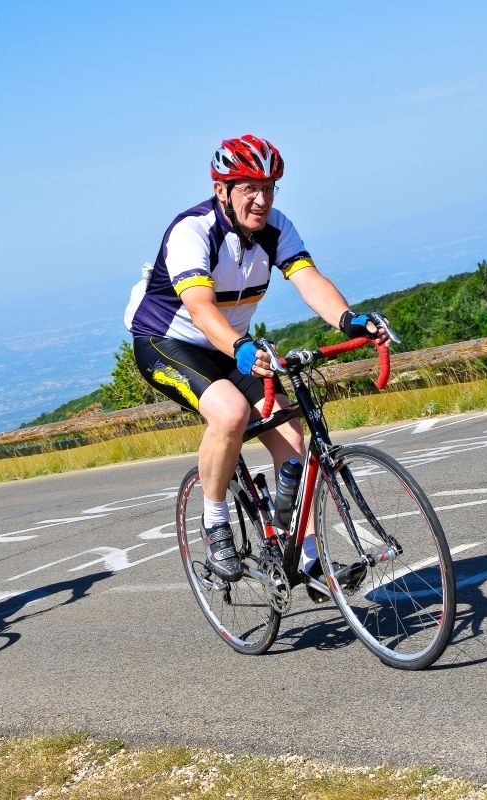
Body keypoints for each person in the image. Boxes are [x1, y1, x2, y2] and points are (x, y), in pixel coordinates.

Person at [128, 134, 390, 585]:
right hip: (169, 341)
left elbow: (308, 279)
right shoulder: (191, 232)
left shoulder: (276, 228)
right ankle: (214, 522)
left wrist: (349, 319)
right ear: (221, 190)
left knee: (290, 429)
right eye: (248, 187)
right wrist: (240, 348)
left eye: (268, 187)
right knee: (229, 414)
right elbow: (201, 309)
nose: (261, 198)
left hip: (231, 341)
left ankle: (306, 555)